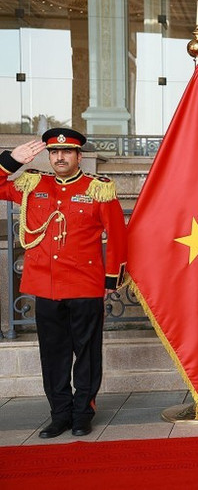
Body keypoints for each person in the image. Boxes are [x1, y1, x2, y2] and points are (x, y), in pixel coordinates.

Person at [0, 128, 127, 438]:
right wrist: (10, 162)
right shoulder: (33, 184)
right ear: (49, 156)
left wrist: (112, 277)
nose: (60, 157)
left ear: (78, 156)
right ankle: (60, 414)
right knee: (53, 354)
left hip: (85, 285)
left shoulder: (98, 189)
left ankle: (83, 411)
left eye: (67, 152)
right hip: (45, 286)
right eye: (55, 152)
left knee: (87, 353)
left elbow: (118, 235)